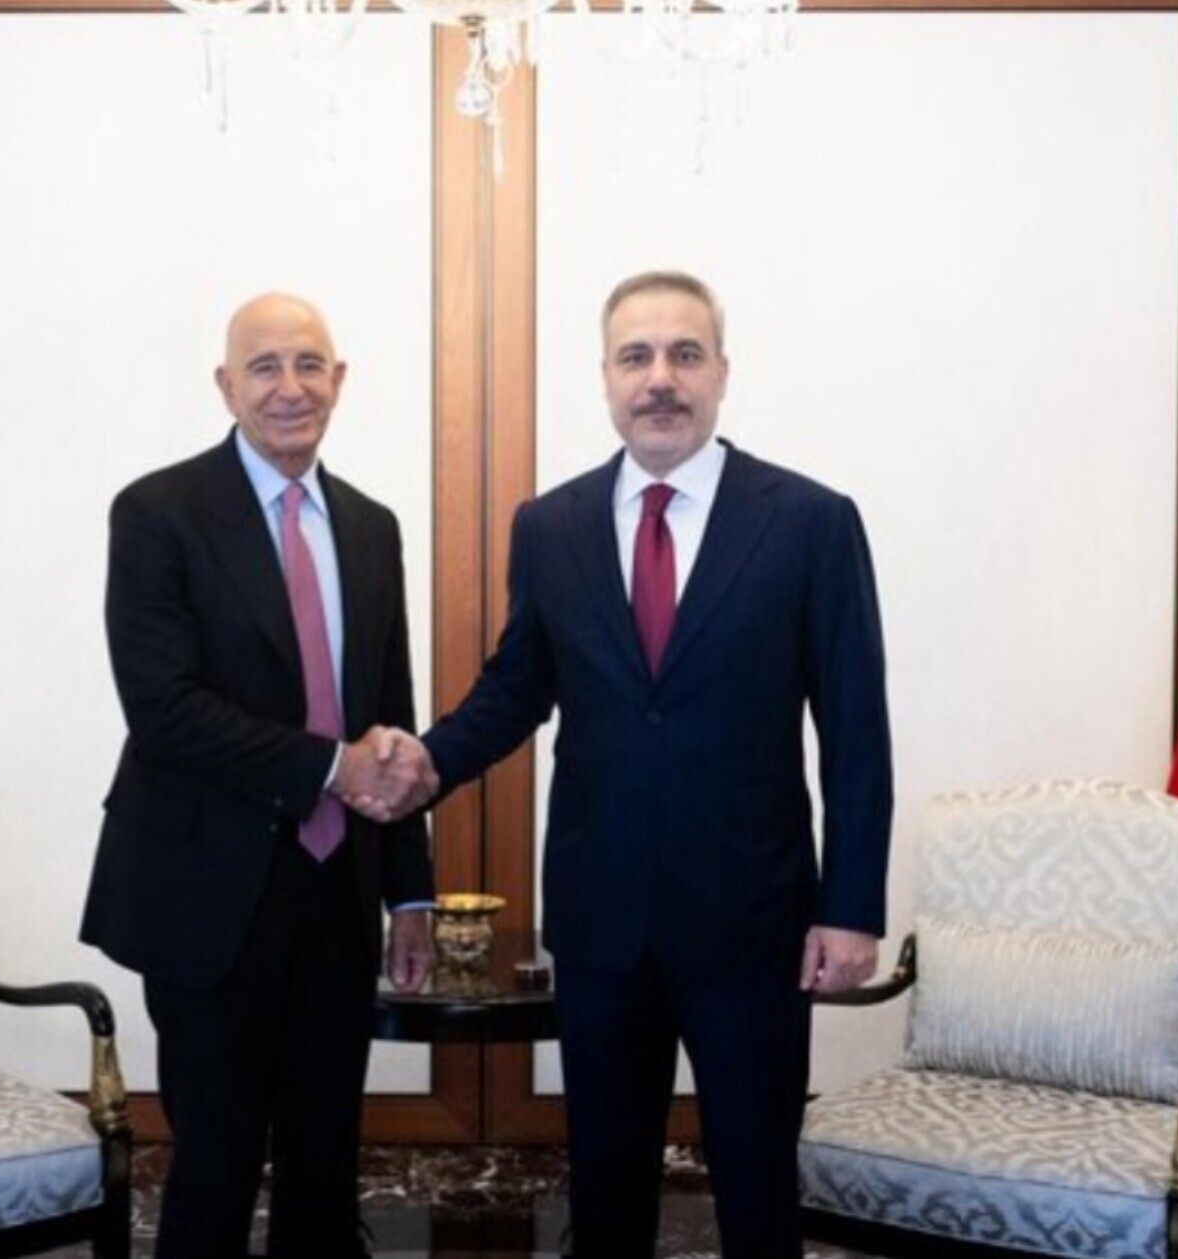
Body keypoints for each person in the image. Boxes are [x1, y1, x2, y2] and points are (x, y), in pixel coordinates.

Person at [373, 270, 893, 1257]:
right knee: (606, 1192)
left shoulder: (811, 521)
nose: (660, 378)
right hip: (601, 919)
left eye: (684, 354)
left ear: (722, 371)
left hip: (755, 920)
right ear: (606, 377)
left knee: (757, 1187)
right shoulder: (551, 526)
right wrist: (424, 762)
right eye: (636, 356)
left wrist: (852, 904)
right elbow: (516, 688)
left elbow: (857, 729)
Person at [80, 292, 438, 1259]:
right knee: (217, 1165)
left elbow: (390, 720)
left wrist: (410, 893)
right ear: (226, 385)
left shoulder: (372, 527)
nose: (290, 387)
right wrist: (330, 765)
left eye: (310, 364)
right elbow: (163, 709)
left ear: (340, 380)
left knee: (326, 1168)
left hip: (338, 893)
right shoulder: (158, 513)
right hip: (208, 893)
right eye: (266, 366)